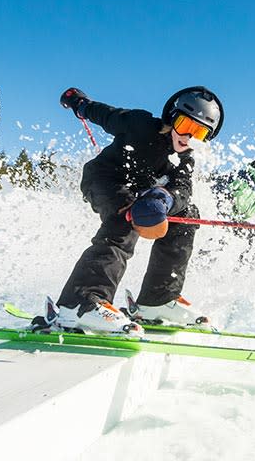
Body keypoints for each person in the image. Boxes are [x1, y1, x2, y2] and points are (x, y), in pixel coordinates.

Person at [51, 85, 224, 335]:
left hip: (144, 195)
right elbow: (105, 115)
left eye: (199, 133)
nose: (188, 137)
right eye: (186, 125)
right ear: (172, 117)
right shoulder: (139, 124)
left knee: (187, 216)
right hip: (105, 179)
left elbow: (183, 191)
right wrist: (80, 104)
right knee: (128, 215)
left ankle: (158, 299)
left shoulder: (185, 159)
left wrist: (165, 200)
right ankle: (81, 303)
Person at [212, 148, 255, 266]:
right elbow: (219, 188)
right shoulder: (242, 176)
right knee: (220, 239)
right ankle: (203, 262)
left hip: (239, 222)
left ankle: (241, 271)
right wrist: (224, 208)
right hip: (223, 217)